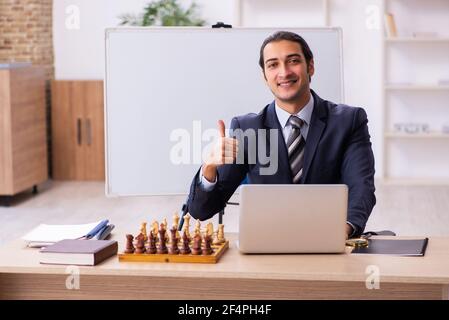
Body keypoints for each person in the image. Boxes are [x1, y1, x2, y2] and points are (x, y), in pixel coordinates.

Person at [186, 31, 376, 238]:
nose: (284, 72)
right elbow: (201, 211)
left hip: (331, 243)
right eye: (273, 65)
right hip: (267, 247)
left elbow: (361, 188)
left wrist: (341, 232)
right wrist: (209, 167)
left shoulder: (349, 121)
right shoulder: (247, 128)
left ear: (310, 66)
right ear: (265, 76)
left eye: (293, 61)